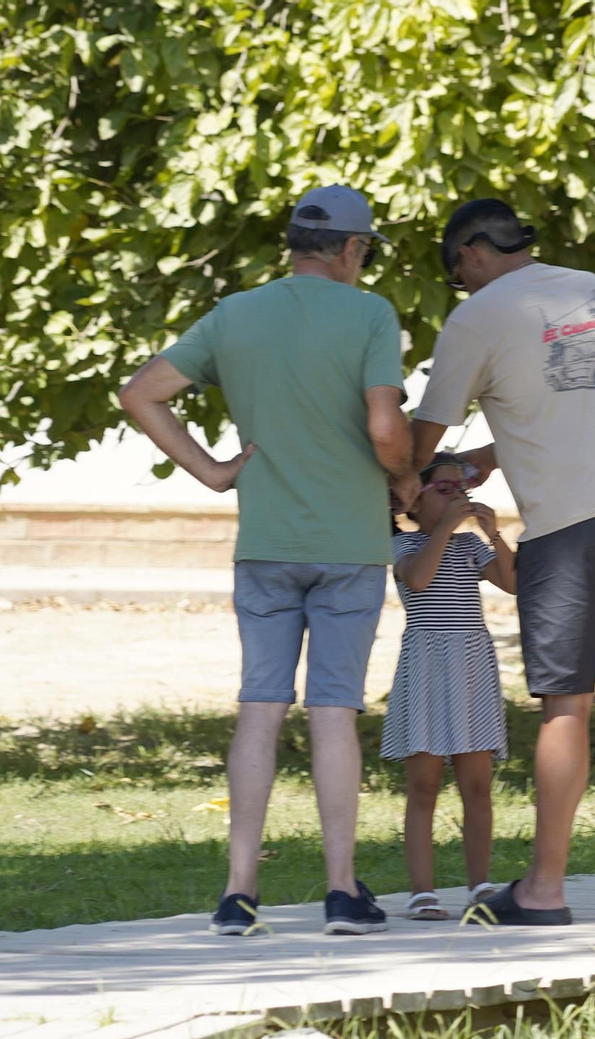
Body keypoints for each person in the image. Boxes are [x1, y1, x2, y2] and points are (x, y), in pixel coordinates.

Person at [117, 185, 418, 937]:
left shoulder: (234, 315)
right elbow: (386, 425)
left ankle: (238, 893)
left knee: (259, 708)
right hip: (348, 546)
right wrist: (402, 473)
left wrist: (216, 471)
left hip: (264, 545)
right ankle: (342, 891)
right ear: (352, 248)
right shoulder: (371, 314)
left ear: (295, 244)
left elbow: (141, 393)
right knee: (333, 715)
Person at [409, 198, 595, 926]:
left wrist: (412, 481)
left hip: (569, 527)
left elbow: (421, 437)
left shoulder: (475, 316)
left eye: (456, 274)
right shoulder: (593, 290)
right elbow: (563, 408)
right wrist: (470, 469)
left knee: (566, 704)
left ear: (470, 253)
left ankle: (543, 887)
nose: (462, 288)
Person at [383, 454, 516, 920]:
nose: (459, 495)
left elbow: (514, 581)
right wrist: (443, 530)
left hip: (472, 667)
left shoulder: (469, 547)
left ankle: (480, 886)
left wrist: (492, 533)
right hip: (426, 665)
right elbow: (418, 579)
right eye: (444, 488)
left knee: (477, 787)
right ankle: (423, 892)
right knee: (424, 786)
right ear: (412, 501)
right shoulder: (404, 546)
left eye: (462, 488)